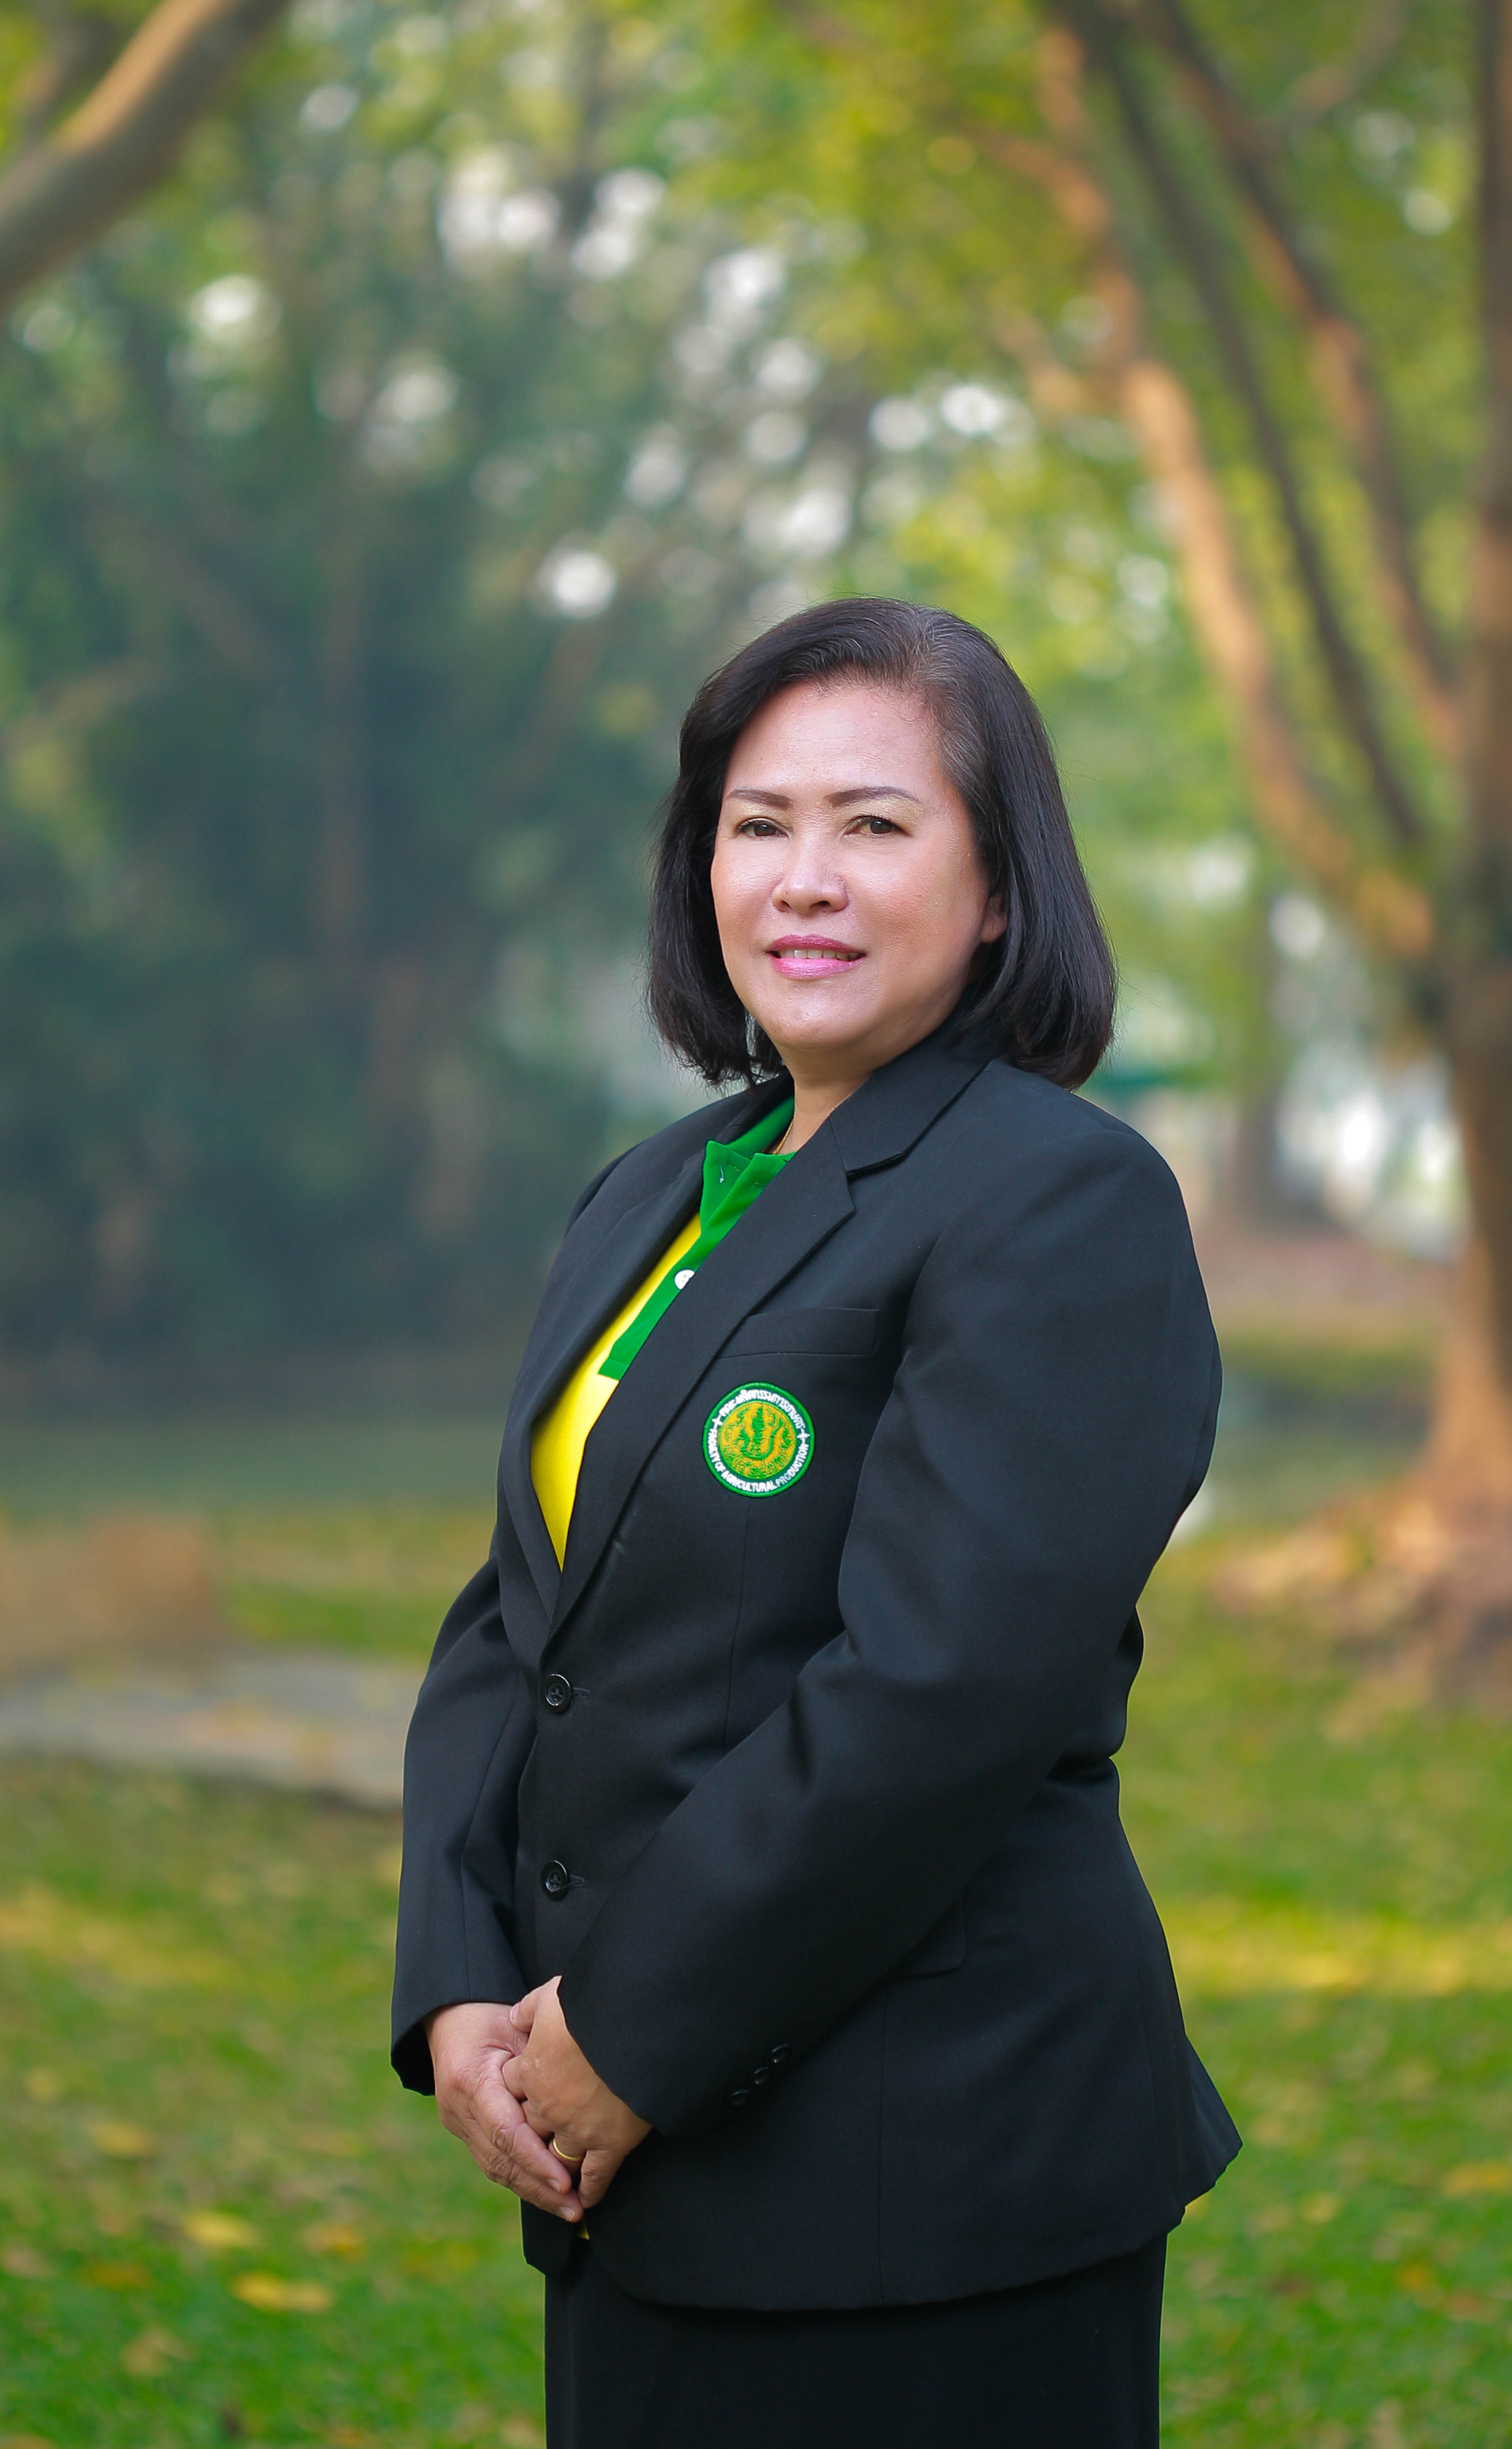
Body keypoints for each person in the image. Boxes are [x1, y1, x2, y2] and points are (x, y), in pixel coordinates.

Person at [392, 598, 1239, 2448]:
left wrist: (625, 2039)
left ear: (998, 888)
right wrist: (458, 1983)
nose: (805, 881)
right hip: (630, 2178)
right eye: (758, 824)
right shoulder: (652, 1194)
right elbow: (522, 1613)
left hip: (924, 2176)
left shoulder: (1060, 1202)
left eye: (876, 825)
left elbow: (936, 1692)